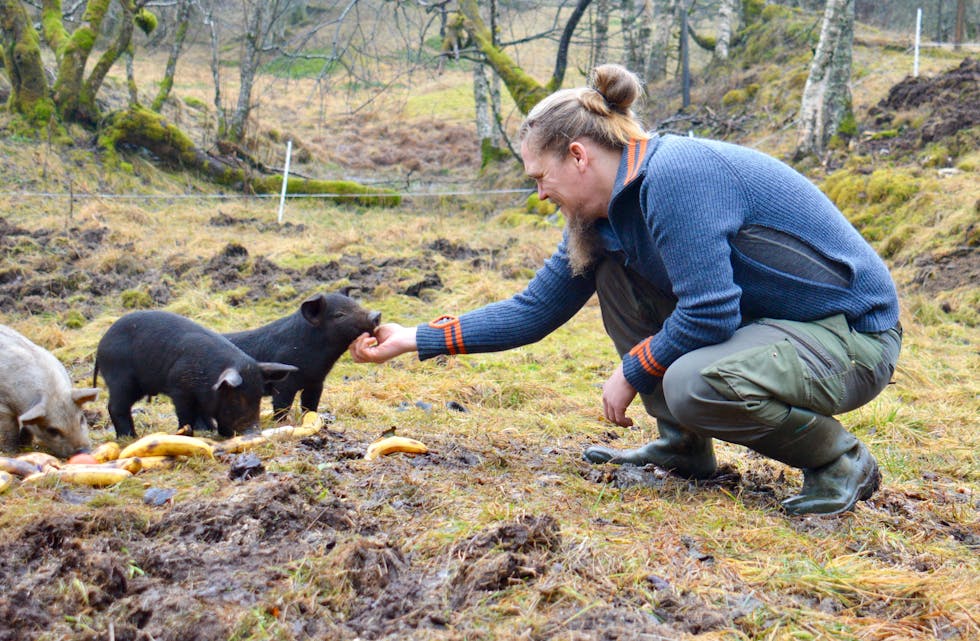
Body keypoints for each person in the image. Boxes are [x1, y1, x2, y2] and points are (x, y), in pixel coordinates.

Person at [349, 63, 902, 516]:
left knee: (692, 382)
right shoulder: (604, 217)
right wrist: (413, 338)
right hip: (775, 330)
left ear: (578, 156)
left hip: (850, 339)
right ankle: (683, 446)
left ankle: (839, 461)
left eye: (539, 177)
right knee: (611, 273)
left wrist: (634, 370)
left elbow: (711, 313)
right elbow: (535, 310)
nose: (539, 194)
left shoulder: (675, 177)